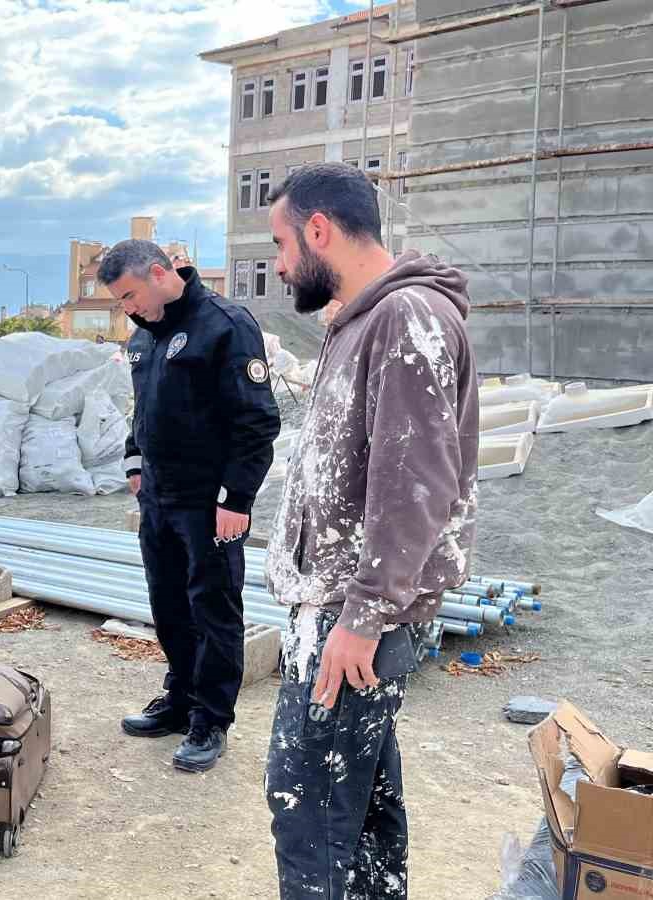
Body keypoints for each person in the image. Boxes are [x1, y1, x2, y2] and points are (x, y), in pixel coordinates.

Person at [262, 162, 478, 899]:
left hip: (354, 621)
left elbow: (416, 483)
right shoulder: (363, 319)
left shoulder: (403, 317)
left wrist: (361, 616)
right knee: (361, 811)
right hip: (348, 612)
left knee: (310, 812)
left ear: (320, 229)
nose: (281, 263)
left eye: (283, 243)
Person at [102, 239, 281, 773]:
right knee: (169, 607)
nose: (128, 308)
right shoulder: (144, 336)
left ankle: (210, 719)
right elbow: (143, 409)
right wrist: (135, 465)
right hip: (159, 499)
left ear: (160, 273)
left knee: (214, 610)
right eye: (120, 301)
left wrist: (237, 499)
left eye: (131, 294)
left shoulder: (224, 324)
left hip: (209, 503)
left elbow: (257, 422)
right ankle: (180, 698)